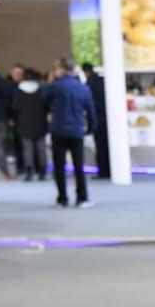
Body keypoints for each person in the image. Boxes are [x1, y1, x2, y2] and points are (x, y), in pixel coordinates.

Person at [45, 58, 95, 208]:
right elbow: (90, 110)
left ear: (61, 69)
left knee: (59, 166)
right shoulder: (83, 88)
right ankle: (82, 198)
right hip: (77, 130)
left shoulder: (54, 87)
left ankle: (62, 198)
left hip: (58, 130)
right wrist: (90, 128)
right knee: (79, 166)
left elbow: (44, 102)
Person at [12, 66, 49, 181]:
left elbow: (15, 107)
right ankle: (42, 171)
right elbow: (47, 106)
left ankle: (29, 171)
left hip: (24, 123)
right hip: (40, 122)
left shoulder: (19, 90)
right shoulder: (41, 89)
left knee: (27, 149)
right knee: (41, 148)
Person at [81, 60, 112, 182]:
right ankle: (109, 170)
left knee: (100, 146)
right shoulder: (102, 80)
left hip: (97, 118)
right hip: (107, 118)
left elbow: (89, 103)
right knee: (106, 146)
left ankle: (103, 171)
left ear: (85, 72)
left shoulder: (89, 83)